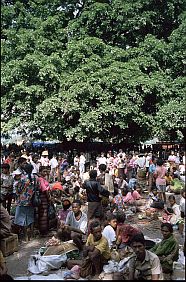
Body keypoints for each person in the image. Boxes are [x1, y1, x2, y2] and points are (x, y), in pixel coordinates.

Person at [13, 168, 35, 241]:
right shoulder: (32, 178)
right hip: (30, 201)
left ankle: (25, 237)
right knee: (30, 218)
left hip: (22, 202)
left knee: (23, 219)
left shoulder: (20, 181)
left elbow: (17, 192)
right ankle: (31, 236)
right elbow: (34, 189)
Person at [37, 166, 51, 236]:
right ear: (40, 172)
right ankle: (43, 231)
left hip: (44, 197)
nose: (45, 173)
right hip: (43, 198)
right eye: (44, 171)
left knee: (44, 214)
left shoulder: (43, 179)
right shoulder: (40, 179)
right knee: (43, 214)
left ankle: (44, 230)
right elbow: (45, 190)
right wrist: (49, 198)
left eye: (46, 171)